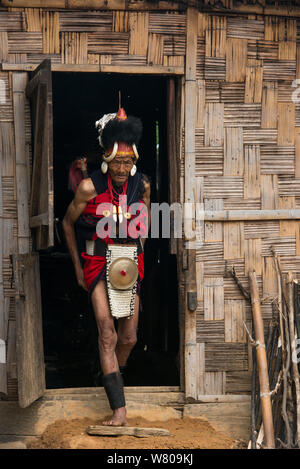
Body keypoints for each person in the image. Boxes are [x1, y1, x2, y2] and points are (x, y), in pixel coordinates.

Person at [62, 107, 150, 426]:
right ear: (106, 157)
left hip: (129, 263)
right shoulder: (89, 187)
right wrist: (77, 267)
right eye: (117, 162)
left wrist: (139, 251)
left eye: (128, 162)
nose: (123, 168)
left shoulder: (142, 186)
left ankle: (112, 374)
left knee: (128, 337)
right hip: (97, 260)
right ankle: (119, 409)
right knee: (107, 332)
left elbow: (146, 218)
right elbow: (67, 223)